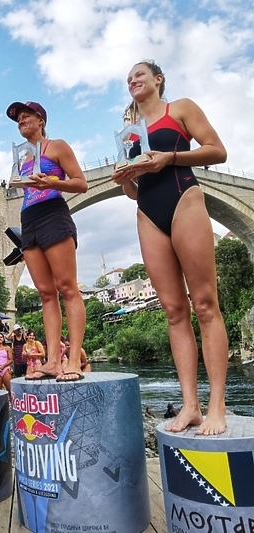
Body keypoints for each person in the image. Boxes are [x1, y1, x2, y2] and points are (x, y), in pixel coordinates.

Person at [111, 61, 228, 436]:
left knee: (205, 304)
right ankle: (190, 406)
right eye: (129, 78)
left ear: (158, 79)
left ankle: (218, 406)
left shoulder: (180, 109)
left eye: (140, 74)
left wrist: (170, 157)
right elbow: (134, 192)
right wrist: (124, 179)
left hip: (185, 198)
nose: (133, 80)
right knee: (174, 311)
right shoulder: (129, 132)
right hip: (148, 211)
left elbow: (217, 151)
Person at [6, 100, 88, 382]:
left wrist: (52, 183)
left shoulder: (57, 146)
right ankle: (53, 361)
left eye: (26, 116)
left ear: (41, 120)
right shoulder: (22, 158)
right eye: (18, 119)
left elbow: (81, 183)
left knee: (67, 288)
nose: (21, 121)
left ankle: (74, 358)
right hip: (28, 218)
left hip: (53, 214)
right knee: (45, 293)